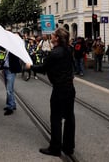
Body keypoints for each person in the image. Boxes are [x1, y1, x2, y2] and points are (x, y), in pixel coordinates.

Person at [31, 27, 75, 156]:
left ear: (57, 38)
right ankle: (68, 147)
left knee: (56, 118)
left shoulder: (55, 53)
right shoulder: (68, 49)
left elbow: (43, 68)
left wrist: (30, 66)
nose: (51, 36)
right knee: (69, 117)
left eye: (53, 35)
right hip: (69, 88)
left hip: (60, 89)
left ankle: (55, 148)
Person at [0, 34, 23, 116]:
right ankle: (12, 104)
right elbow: (4, 57)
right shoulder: (8, 46)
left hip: (11, 70)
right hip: (6, 68)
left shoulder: (17, 47)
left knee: (9, 89)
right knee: (9, 88)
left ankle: (10, 107)